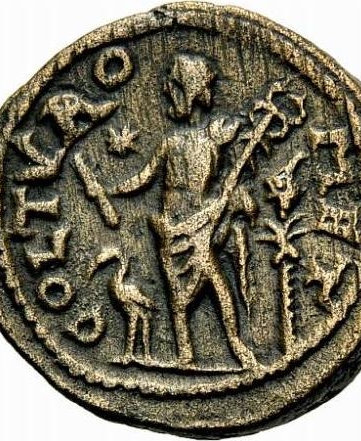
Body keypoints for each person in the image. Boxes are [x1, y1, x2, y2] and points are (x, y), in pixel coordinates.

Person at [108, 53, 257, 368]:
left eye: (173, 85)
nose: (165, 90)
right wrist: (114, 189)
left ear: (187, 90)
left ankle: (235, 347)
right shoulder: (173, 142)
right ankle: (188, 355)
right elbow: (145, 177)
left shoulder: (211, 139)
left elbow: (145, 178)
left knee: (215, 287)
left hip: (198, 227)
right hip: (172, 230)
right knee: (180, 298)